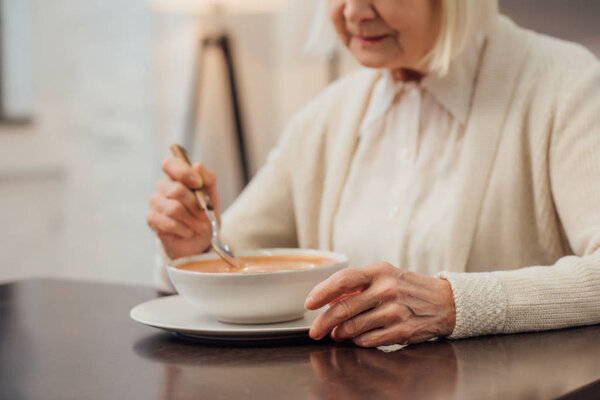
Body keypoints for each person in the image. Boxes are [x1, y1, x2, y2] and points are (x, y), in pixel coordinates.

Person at [147, 0, 600, 348]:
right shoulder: (329, 115)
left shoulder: (564, 84)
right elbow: (230, 259)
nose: (354, 12)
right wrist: (191, 248)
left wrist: (455, 303)